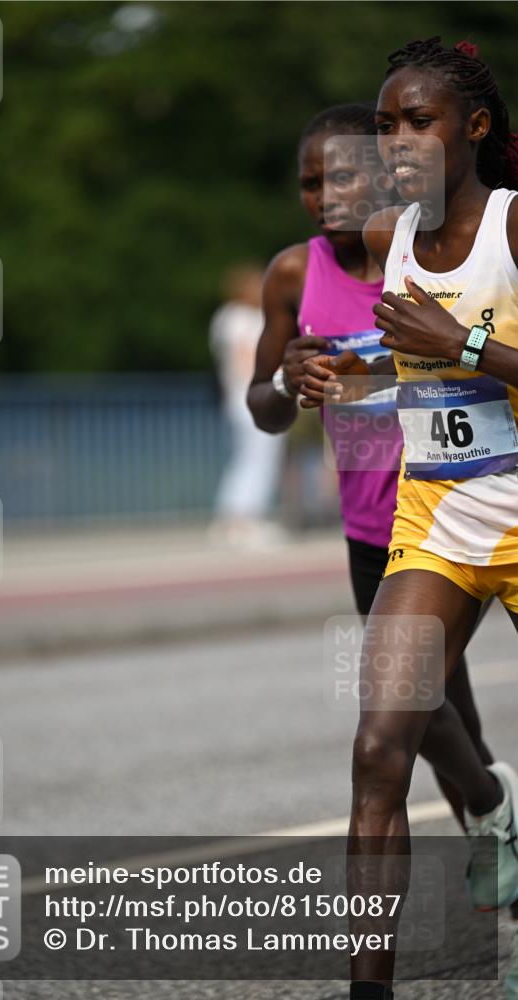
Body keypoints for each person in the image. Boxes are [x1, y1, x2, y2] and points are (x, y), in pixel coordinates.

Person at [299, 38, 518, 1000]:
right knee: (380, 743)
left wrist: (462, 338)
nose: (396, 141)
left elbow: (452, 348)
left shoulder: (513, 230)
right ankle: (368, 988)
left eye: (417, 121)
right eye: (385, 123)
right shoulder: (387, 238)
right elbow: (401, 368)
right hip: (434, 517)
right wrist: (331, 376)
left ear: (472, 128)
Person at [247, 101, 496, 833]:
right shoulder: (294, 275)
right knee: (430, 708)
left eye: (345, 177)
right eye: (310, 183)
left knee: (411, 710)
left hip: (456, 507)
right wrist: (289, 383)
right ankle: (492, 814)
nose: (326, 196)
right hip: (370, 533)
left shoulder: (426, 254)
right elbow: (261, 405)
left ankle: (492, 835)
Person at [210, 265, 288, 548]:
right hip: (254, 397)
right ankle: (245, 520)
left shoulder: (226, 318)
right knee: (259, 460)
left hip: (238, 399)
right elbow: (246, 357)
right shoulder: (242, 317)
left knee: (246, 459)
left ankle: (232, 519)